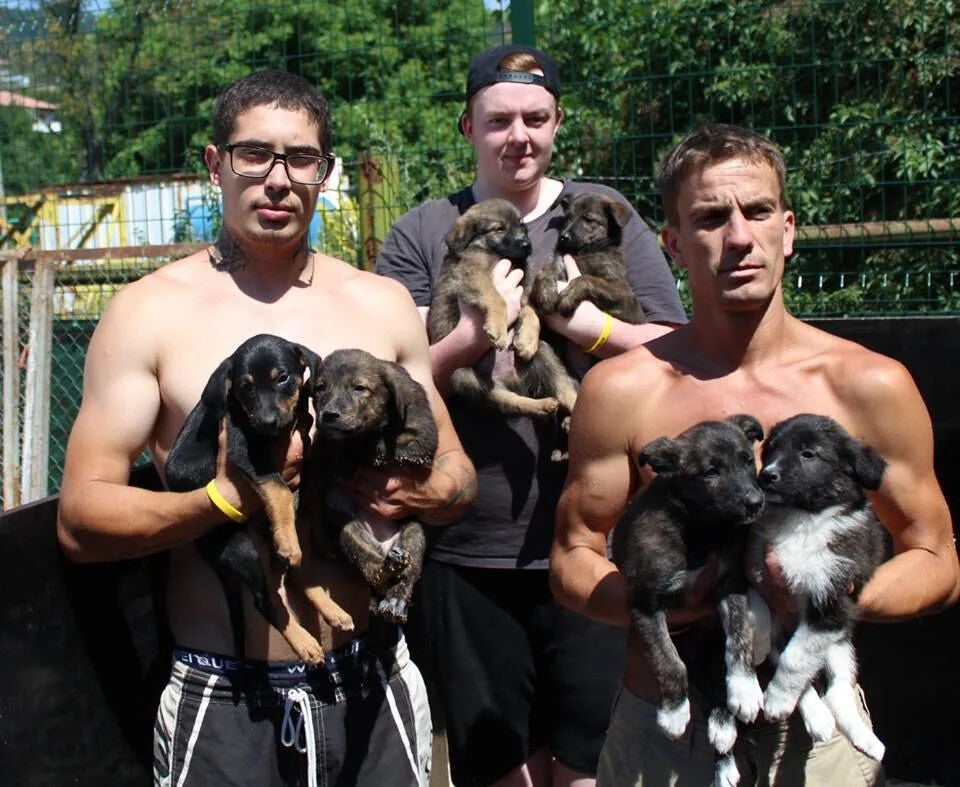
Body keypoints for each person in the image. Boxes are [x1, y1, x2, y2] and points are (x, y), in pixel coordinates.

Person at [56, 69, 476, 787]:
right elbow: (80, 520)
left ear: (325, 172)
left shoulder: (381, 305)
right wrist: (224, 500)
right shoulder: (147, 314)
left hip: (373, 680)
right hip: (226, 698)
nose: (278, 179)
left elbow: (458, 474)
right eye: (254, 154)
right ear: (215, 164)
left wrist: (412, 493)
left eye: (301, 158)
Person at [550, 122, 960, 786]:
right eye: (711, 218)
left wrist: (828, 595)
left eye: (759, 211)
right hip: (666, 733)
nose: (739, 236)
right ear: (674, 244)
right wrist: (675, 599)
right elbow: (573, 554)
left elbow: (937, 559)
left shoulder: (868, 386)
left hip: (812, 735)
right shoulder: (622, 390)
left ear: (788, 230)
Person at [376, 44, 687, 786]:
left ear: (557, 123)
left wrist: (594, 332)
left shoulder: (601, 213)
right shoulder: (425, 229)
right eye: (499, 120)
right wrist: (465, 341)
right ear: (468, 127)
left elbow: (676, 349)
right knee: (498, 769)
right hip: (467, 547)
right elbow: (394, 377)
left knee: (590, 766)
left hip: (596, 542)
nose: (519, 136)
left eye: (536, 118)